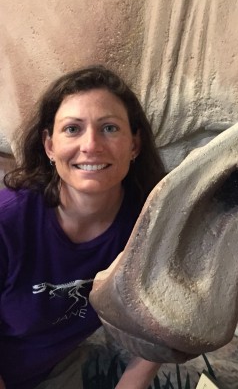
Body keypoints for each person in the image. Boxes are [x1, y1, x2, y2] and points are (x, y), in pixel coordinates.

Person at [0, 65, 166, 389]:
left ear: (134, 144)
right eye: (73, 129)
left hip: (55, 370)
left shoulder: (148, 226)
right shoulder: (7, 221)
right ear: (50, 146)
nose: (91, 145)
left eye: (109, 128)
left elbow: (166, 316)